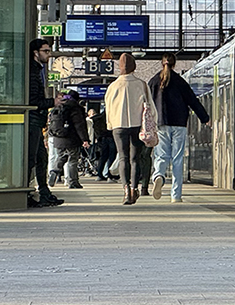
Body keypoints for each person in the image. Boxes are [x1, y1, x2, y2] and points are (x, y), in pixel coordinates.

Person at [149, 53, 210, 202]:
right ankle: (176, 196)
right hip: (179, 124)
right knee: (177, 159)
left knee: (162, 155)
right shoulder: (180, 82)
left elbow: (147, 103)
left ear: (161, 63)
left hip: (161, 123)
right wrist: (205, 118)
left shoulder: (153, 82)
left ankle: (158, 176)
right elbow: (192, 101)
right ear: (174, 64)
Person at [105, 53, 157, 205]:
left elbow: (108, 108)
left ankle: (126, 189)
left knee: (122, 157)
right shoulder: (141, 84)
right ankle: (135, 188)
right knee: (135, 159)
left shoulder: (113, 86)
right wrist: (154, 123)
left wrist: (110, 124)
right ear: (134, 67)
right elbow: (150, 106)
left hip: (118, 126)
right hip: (137, 126)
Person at [27, 39, 63, 207]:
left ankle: (44, 192)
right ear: (36, 52)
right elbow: (33, 101)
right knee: (32, 158)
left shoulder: (37, 70)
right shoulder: (32, 72)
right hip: (32, 120)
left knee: (41, 158)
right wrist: (52, 102)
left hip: (35, 120)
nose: (49, 55)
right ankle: (28, 192)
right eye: (46, 51)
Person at [47, 90, 90, 189]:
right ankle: (73, 181)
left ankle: (54, 171)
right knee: (73, 160)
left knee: (62, 156)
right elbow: (79, 125)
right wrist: (85, 139)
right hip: (71, 138)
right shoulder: (75, 108)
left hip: (58, 137)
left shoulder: (58, 106)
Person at [89, 103, 118, 181]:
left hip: (102, 139)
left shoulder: (98, 118)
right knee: (112, 156)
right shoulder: (113, 117)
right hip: (111, 138)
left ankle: (99, 174)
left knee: (103, 157)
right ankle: (109, 174)